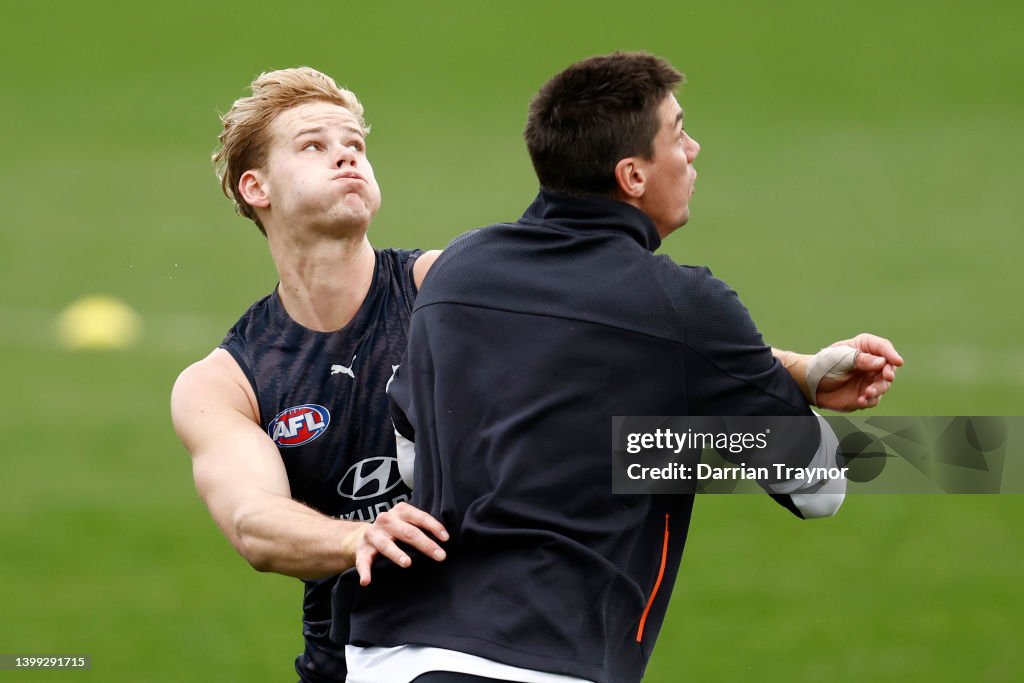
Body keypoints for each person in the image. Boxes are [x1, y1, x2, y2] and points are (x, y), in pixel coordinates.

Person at [343, 52, 903, 683]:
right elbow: (818, 488)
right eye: (678, 133)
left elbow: (417, 458)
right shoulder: (685, 304)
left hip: (386, 655)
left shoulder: (458, 271)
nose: (693, 149)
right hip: (539, 659)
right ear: (633, 175)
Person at [170, 67, 450, 683]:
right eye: (314, 146)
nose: (347, 156)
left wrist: (703, 455)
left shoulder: (445, 291)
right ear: (257, 187)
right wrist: (363, 538)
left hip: (490, 639)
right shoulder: (224, 383)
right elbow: (254, 523)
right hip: (350, 661)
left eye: (355, 144)